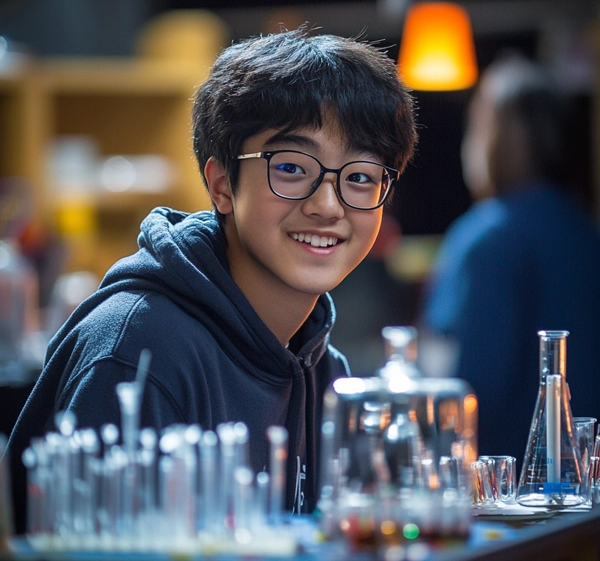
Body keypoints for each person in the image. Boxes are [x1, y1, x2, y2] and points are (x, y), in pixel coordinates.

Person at [6, 27, 417, 533]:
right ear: (222, 184)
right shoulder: (137, 352)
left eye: (359, 176)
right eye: (290, 167)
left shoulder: (323, 367)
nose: (327, 205)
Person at [418, 53, 600, 466]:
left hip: (510, 498)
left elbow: (466, 385)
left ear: (492, 136)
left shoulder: (488, 235)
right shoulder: (588, 233)